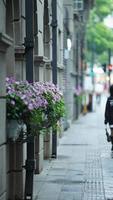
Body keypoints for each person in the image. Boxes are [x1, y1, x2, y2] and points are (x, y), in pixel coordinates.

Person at [104, 85, 113, 150]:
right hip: (111, 119)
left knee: (112, 132)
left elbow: (107, 110)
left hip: (111, 120)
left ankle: (112, 145)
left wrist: (106, 119)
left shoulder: (109, 99)